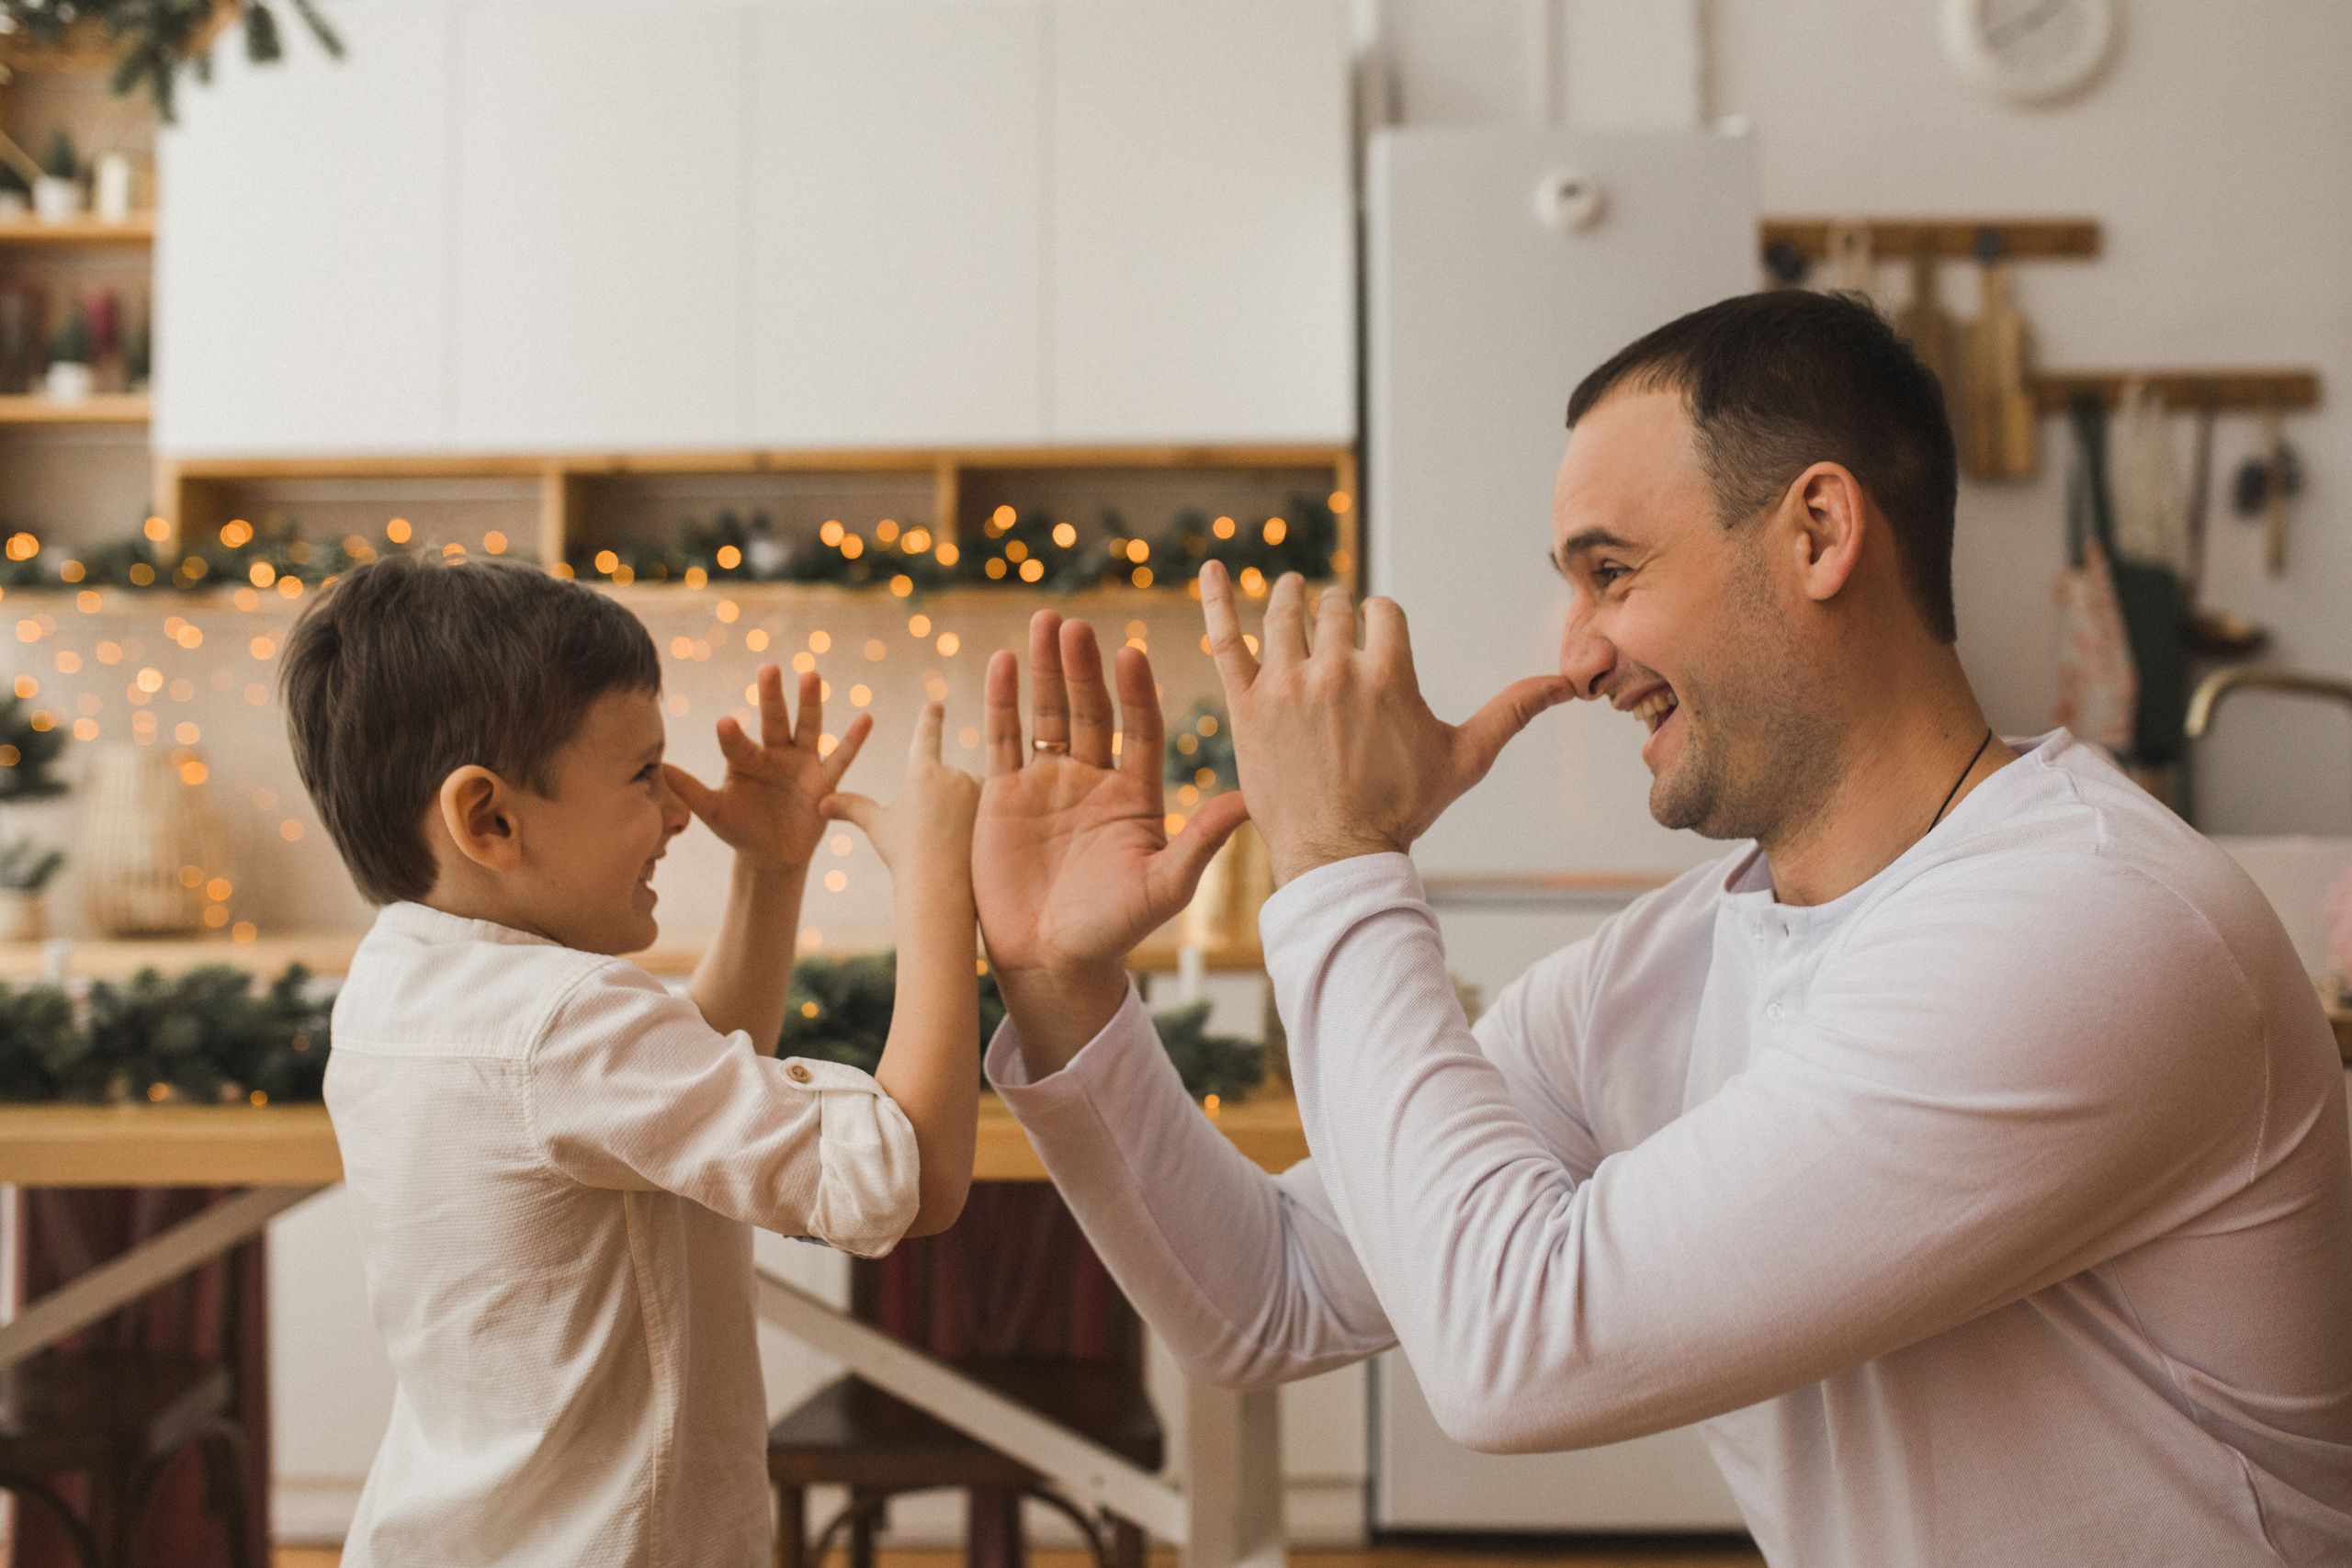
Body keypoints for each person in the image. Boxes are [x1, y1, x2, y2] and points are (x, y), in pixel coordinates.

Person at [969, 291, 2352, 1565]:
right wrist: (1058, 979)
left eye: (1612, 571)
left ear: (1819, 532)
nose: (1577, 651)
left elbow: (1514, 1348)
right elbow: (1263, 1294)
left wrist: (1339, 858)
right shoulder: (1680, 955)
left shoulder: (2083, 923)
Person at [280, 556, 981, 1565]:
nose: (677, 811)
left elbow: (671, 1099)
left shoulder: (408, 983)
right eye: (642, 775)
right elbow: (909, 1178)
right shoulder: (560, 1022)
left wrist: (771, 873)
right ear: (489, 820)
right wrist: (933, 879)